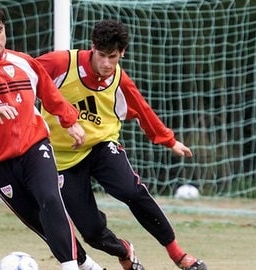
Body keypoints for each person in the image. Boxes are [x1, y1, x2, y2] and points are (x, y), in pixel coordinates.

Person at [0, 1, 117, 269]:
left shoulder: (24, 63)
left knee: (51, 199)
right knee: (39, 220)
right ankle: (86, 265)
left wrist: (70, 120)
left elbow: (50, 93)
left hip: (34, 146)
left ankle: (70, 266)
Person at [37, 20, 207, 270]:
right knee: (92, 232)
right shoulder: (61, 64)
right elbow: (24, 74)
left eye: (113, 57)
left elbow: (143, 110)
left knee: (132, 191)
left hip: (102, 147)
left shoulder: (119, 80)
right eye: (102, 55)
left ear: (122, 53)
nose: (106, 64)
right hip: (63, 159)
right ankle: (124, 251)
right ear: (92, 47)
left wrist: (169, 140)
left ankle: (178, 254)